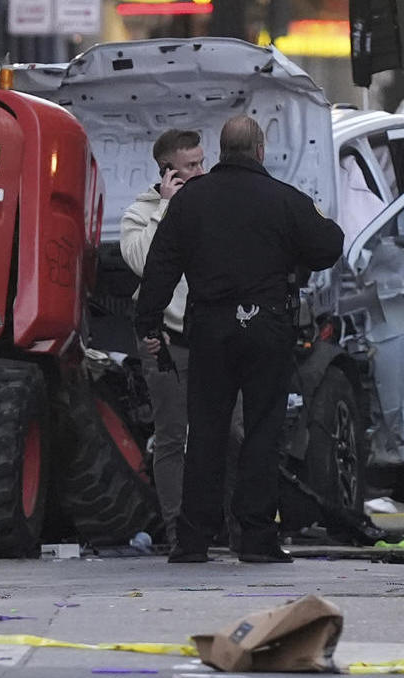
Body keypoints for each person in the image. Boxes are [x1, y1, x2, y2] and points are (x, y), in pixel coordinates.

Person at [136, 115, 344, 564]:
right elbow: (329, 244)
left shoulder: (190, 203)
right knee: (262, 430)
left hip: (209, 328)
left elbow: (160, 267)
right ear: (261, 151)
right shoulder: (284, 200)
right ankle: (256, 537)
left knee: (205, 431)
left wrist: (148, 325)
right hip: (267, 327)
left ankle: (193, 539)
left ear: (221, 150)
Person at [121, 129, 240, 552]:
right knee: (173, 436)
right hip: (166, 343)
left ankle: (226, 525)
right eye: (191, 166)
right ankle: (177, 530)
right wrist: (168, 208)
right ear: (167, 171)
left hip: (214, 339)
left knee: (233, 430)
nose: (201, 171)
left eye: (202, 162)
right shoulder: (141, 212)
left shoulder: (213, 204)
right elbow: (142, 263)